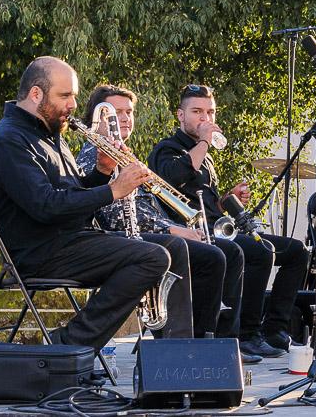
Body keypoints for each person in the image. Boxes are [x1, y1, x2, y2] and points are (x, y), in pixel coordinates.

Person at [0, 57, 169, 351]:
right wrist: (114, 190)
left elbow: (74, 193)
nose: (72, 105)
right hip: (41, 251)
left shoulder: (51, 134)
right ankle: (70, 345)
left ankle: (177, 349)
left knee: (172, 248)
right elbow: (46, 205)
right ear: (35, 94)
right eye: (65, 95)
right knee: (152, 258)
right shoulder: (8, 140)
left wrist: (102, 172)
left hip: (71, 239)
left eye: (74, 96)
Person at [74, 84, 252, 359]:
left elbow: (145, 207)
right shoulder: (93, 154)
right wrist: (173, 229)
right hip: (119, 242)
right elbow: (112, 216)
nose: (124, 118)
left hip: (146, 234)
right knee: (211, 257)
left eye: (129, 112)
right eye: (116, 112)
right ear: (98, 118)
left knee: (225, 252)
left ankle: (215, 340)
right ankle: (194, 345)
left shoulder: (124, 154)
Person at [150, 84, 309, 359]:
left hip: (218, 229)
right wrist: (203, 142)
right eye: (197, 112)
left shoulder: (204, 154)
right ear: (180, 115)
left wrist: (226, 199)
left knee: (295, 251)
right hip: (193, 236)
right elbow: (172, 179)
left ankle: (275, 329)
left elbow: (204, 203)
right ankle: (242, 336)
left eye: (210, 112)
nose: (205, 119)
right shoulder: (168, 148)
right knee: (258, 253)